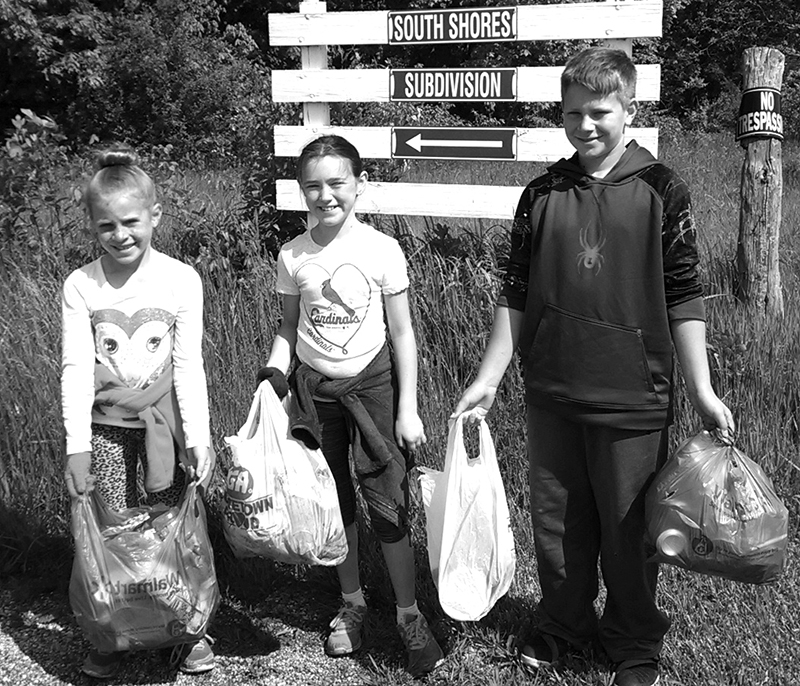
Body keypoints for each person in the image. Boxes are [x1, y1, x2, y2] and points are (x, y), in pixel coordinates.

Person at [453, 47, 734, 686]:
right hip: (551, 392)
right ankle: (562, 627)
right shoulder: (541, 192)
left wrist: (703, 389)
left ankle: (633, 640)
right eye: (573, 112)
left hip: (635, 398)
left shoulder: (663, 189)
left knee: (631, 532)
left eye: (600, 112)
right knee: (556, 528)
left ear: (629, 110)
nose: (586, 125)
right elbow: (516, 291)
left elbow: (685, 293)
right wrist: (489, 378)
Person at [257, 134, 444, 678]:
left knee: (389, 503)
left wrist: (408, 408)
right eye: (312, 186)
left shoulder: (382, 249)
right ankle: (354, 602)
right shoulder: (293, 254)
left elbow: (403, 333)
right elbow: (289, 328)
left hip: (376, 388)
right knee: (332, 501)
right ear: (301, 193)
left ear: (358, 185)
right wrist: (272, 377)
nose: (325, 195)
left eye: (336, 183)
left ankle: (409, 614)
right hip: (316, 394)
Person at [61, 147, 215, 679]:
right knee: (113, 530)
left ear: (155, 215)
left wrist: (200, 437)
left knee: (170, 525)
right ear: (92, 225)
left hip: (165, 433)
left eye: (131, 221)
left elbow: (189, 365)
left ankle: (186, 626)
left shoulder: (181, 280)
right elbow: (76, 369)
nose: (120, 234)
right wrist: (76, 447)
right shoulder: (81, 286)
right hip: (104, 433)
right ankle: (111, 631)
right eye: (107, 224)